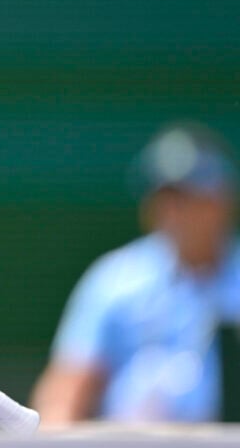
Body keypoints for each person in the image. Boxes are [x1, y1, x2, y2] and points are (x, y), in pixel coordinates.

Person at [31, 122, 240, 424]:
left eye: (188, 197)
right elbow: (64, 392)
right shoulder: (115, 280)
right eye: (165, 198)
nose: (175, 212)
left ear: (222, 199)